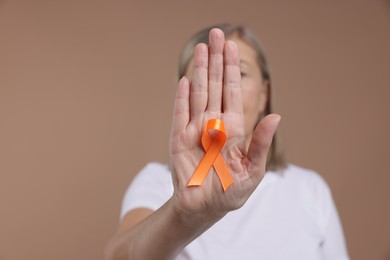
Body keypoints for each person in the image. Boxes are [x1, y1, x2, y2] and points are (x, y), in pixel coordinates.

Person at [105, 24, 349, 260]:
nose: (219, 88)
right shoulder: (155, 182)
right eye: (206, 75)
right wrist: (184, 215)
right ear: (185, 94)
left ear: (265, 94)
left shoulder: (310, 190)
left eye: (238, 73)